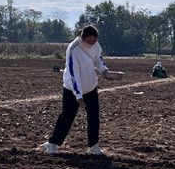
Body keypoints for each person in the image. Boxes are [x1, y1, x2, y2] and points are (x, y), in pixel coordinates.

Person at [42, 26, 123, 155]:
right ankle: (52, 144)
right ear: (83, 38)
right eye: (89, 41)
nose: (92, 44)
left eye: (94, 41)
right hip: (72, 89)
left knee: (94, 117)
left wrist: (105, 72)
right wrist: (78, 95)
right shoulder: (73, 49)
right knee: (67, 117)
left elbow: (98, 59)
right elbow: (74, 74)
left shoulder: (96, 45)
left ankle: (93, 146)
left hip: (90, 86)